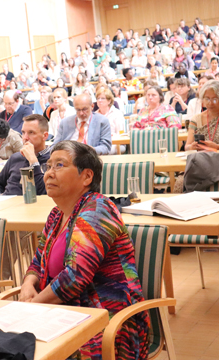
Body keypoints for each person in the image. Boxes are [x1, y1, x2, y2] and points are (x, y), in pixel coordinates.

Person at [21, 142, 152, 360]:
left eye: (59, 165)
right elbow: (37, 260)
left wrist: (31, 307)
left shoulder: (98, 209)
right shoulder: (56, 215)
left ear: (87, 176)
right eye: (48, 166)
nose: (49, 173)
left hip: (106, 318)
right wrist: (28, 284)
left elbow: (75, 276)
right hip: (65, 312)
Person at [0, 115, 52, 196]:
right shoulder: (15, 157)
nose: (25, 137)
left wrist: (33, 161)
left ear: (45, 136)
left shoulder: (52, 160)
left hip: (34, 203)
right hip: (8, 201)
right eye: (23, 132)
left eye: (31, 132)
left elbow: (44, 191)